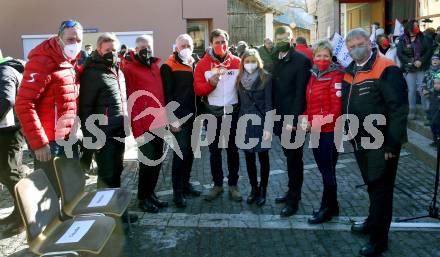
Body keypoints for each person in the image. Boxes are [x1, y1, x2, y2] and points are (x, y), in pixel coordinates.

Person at [342, 28, 408, 256]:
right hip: (360, 139)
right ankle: (372, 221)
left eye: (359, 43)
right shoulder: (349, 70)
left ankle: (379, 239)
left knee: (382, 189)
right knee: (371, 184)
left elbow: (398, 109)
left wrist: (392, 144)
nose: (355, 48)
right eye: (351, 46)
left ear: (369, 44)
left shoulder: (386, 68)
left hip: (381, 142)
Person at [16, 20, 83, 195]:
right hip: (49, 142)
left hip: (67, 138)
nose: (74, 44)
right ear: (59, 38)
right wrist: (39, 143)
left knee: (70, 189)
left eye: (78, 40)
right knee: (49, 195)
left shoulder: (69, 62)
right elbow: (24, 103)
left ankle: (70, 220)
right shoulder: (42, 61)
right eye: (70, 39)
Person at [79, 33, 138, 223]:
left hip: (118, 132)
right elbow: (86, 108)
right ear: (98, 50)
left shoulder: (117, 70)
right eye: (107, 50)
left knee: (117, 173)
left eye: (114, 50)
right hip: (102, 135)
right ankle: (103, 219)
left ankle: (118, 213)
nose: (111, 53)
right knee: (106, 177)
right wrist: (91, 138)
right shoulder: (92, 73)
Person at [193, 29, 243, 202]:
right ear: (211, 44)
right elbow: (198, 89)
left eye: (223, 42)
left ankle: (233, 185)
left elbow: (243, 87)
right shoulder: (202, 64)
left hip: (232, 113)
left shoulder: (237, 62)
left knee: (232, 151)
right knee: (215, 152)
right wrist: (210, 84)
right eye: (217, 42)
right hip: (212, 114)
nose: (220, 45)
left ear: (228, 43)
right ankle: (217, 185)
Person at [123, 35, 169, 213]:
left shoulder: (155, 67)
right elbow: (130, 102)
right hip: (143, 126)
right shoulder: (129, 70)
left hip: (159, 123)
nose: (146, 51)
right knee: (147, 164)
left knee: (157, 163)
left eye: (148, 47)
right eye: (142, 48)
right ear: (136, 50)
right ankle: (143, 198)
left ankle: (151, 194)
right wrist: (138, 130)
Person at [271, 26, 312, 217]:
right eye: (278, 37)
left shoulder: (301, 60)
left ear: (291, 38)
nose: (281, 40)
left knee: (295, 159)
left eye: (285, 37)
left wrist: (294, 120)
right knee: (289, 156)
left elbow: (300, 93)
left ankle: (294, 198)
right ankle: (290, 191)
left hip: (293, 119)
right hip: (279, 117)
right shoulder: (274, 58)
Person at [303, 40, 343, 224]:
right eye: (318, 55)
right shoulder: (314, 74)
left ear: (331, 56)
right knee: (326, 170)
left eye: (325, 55)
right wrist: (305, 117)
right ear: (313, 56)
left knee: (327, 171)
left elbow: (336, 110)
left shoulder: (336, 75)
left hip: (330, 131)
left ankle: (325, 208)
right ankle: (333, 205)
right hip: (317, 130)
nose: (322, 59)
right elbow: (311, 104)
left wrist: (314, 123)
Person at [161, 34, 201, 208]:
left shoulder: (196, 63)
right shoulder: (168, 66)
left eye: (188, 45)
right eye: (182, 45)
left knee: (191, 153)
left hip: (196, 116)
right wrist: (171, 118)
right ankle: (177, 192)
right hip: (179, 118)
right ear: (176, 47)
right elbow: (167, 94)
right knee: (180, 154)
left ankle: (186, 184)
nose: (185, 48)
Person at [236, 49, 272, 206]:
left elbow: (270, 103)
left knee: (263, 158)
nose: (250, 64)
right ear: (243, 62)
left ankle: (263, 190)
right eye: (247, 61)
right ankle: (253, 189)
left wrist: (268, 127)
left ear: (258, 62)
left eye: (253, 61)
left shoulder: (266, 77)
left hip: (262, 122)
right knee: (249, 158)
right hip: (244, 122)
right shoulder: (239, 79)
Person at [0, 56, 26, 235]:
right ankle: (18, 212)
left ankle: (24, 217)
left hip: (9, 132)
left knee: (11, 173)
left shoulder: (4, 71)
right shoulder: (6, 70)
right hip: (8, 130)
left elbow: (7, 100)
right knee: (7, 173)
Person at [397, 20, 431, 120]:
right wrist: (412, 61)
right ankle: (412, 111)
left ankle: (426, 112)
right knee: (411, 91)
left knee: (422, 90)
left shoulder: (424, 37)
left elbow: (429, 51)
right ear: (409, 28)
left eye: (418, 25)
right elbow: (400, 54)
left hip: (422, 67)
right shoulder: (402, 39)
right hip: (409, 69)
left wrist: (421, 60)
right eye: (415, 26)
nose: (417, 27)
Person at [422, 55, 440, 132]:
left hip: (437, 95)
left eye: (436, 59)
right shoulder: (428, 71)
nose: (434, 61)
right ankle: (429, 119)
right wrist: (423, 89)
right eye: (433, 60)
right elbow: (424, 82)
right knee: (428, 107)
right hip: (429, 94)